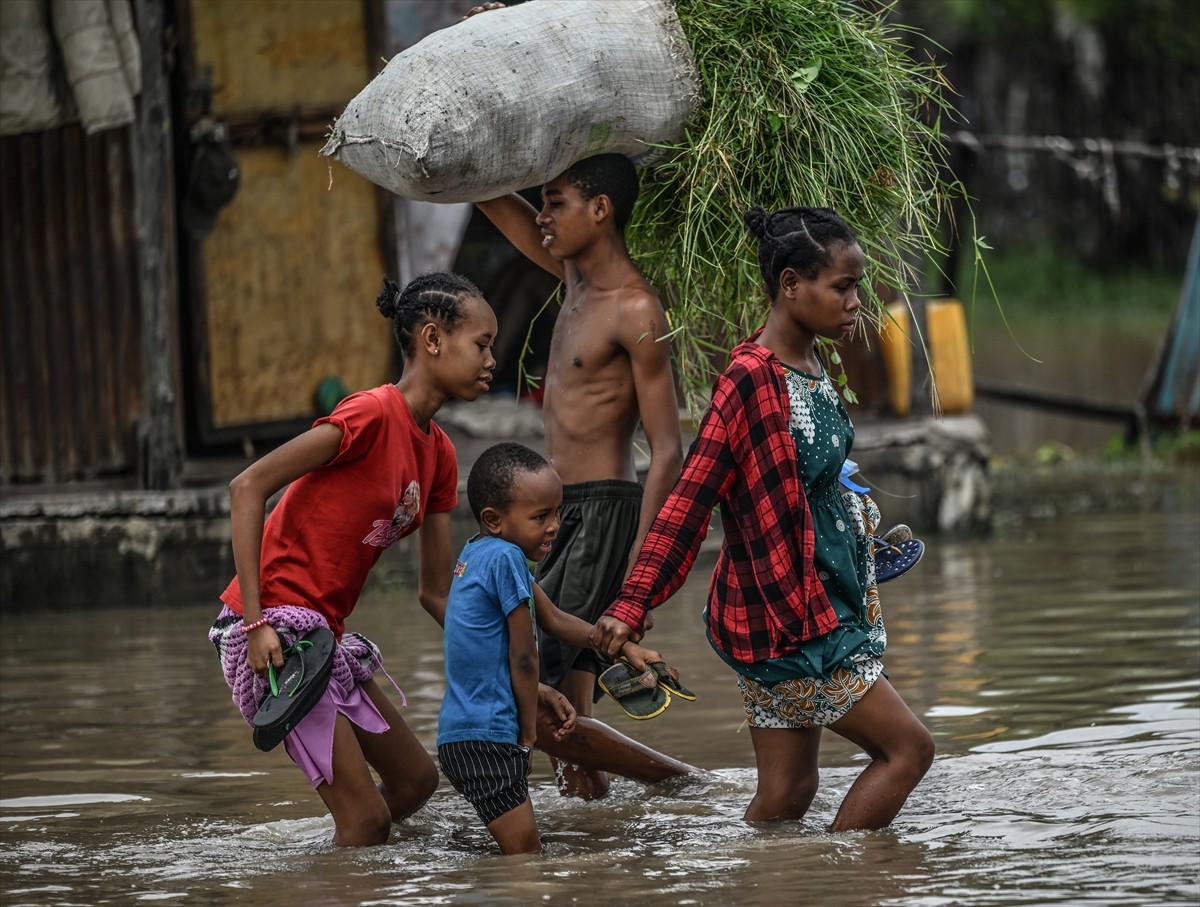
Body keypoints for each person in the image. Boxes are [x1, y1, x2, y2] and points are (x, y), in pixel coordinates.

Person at [591, 206, 936, 831]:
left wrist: (859, 537)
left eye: (857, 286)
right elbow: (691, 500)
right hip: (793, 617)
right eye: (844, 286)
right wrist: (632, 602)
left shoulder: (812, 367)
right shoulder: (749, 379)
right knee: (909, 750)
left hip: (815, 596)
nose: (857, 302)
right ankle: (841, 888)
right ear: (790, 285)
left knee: (786, 796)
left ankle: (770, 885)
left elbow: (810, 487)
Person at [206, 272, 558, 847]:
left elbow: (438, 593)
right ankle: (351, 840)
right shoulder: (370, 414)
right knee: (368, 821)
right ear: (432, 339)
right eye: (483, 343)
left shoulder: (440, 454)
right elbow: (247, 487)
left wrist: (519, 674)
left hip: (324, 639)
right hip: (272, 633)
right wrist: (254, 622)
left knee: (416, 782)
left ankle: (339, 858)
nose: (493, 359)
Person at [475, 152, 684, 799]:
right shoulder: (573, 280)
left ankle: (676, 785)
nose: (542, 217)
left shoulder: (636, 309)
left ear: (601, 209)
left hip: (600, 512)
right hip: (553, 512)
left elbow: (669, 450)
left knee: (556, 690)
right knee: (554, 690)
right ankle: (593, 826)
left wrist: (639, 583)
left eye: (556, 201)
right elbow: (492, 201)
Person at [438, 441, 678, 854]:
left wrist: (626, 651)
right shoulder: (508, 558)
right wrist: (529, 731)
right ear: (493, 519)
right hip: (490, 738)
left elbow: (554, 619)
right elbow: (525, 655)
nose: (554, 526)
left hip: (462, 736)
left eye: (556, 513)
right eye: (540, 516)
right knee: (525, 863)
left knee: (521, 852)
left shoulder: (477, 553)